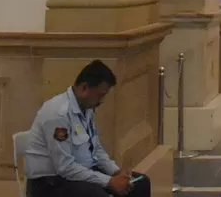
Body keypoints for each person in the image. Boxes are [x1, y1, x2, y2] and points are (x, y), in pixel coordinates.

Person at [24, 60, 149, 196]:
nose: (102, 101)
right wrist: (109, 181)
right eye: (100, 95)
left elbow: (95, 149)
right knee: (98, 195)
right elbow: (65, 168)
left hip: (80, 174)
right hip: (50, 182)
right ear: (84, 88)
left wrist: (115, 171)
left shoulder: (86, 107)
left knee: (139, 184)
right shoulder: (58, 114)